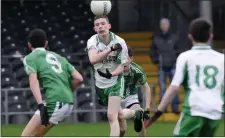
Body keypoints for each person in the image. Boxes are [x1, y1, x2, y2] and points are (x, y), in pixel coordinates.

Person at [145, 18, 224, 137]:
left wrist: (157, 114)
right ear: (211, 37)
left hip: (194, 109)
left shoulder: (186, 57)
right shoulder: (221, 58)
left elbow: (173, 88)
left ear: (190, 37)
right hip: (216, 111)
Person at [86, 15, 143, 137]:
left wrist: (111, 74)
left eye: (103, 23)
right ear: (95, 29)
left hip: (115, 82)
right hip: (100, 84)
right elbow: (92, 59)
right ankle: (135, 113)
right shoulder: (92, 41)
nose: (100, 26)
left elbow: (123, 65)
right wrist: (110, 49)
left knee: (111, 116)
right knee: (120, 118)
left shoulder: (120, 41)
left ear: (109, 26)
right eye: (97, 25)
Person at [21, 29, 83, 136]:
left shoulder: (30, 58)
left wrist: (40, 105)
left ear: (29, 44)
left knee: (27, 136)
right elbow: (79, 78)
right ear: (46, 43)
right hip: (67, 102)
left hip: (54, 102)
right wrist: (67, 91)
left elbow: (33, 81)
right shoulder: (59, 57)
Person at [119, 48, 151, 137]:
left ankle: (137, 113)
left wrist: (147, 108)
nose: (124, 62)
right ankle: (135, 112)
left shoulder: (137, 70)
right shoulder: (114, 70)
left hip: (131, 96)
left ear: (131, 58)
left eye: (126, 58)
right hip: (116, 97)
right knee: (122, 129)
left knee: (140, 120)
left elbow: (147, 88)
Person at [150, 18, 180, 113]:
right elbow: (152, 52)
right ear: (160, 26)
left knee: (174, 87)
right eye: (162, 24)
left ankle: (175, 108)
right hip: (161, 67)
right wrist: (156, 61)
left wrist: (176, 61)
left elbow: (179, 51)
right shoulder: (156, 38)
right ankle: (164, 108)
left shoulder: (174, 38)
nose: (164, 26)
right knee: (162, 88)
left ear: (168, 25)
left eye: (165, 24)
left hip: (173, 66)